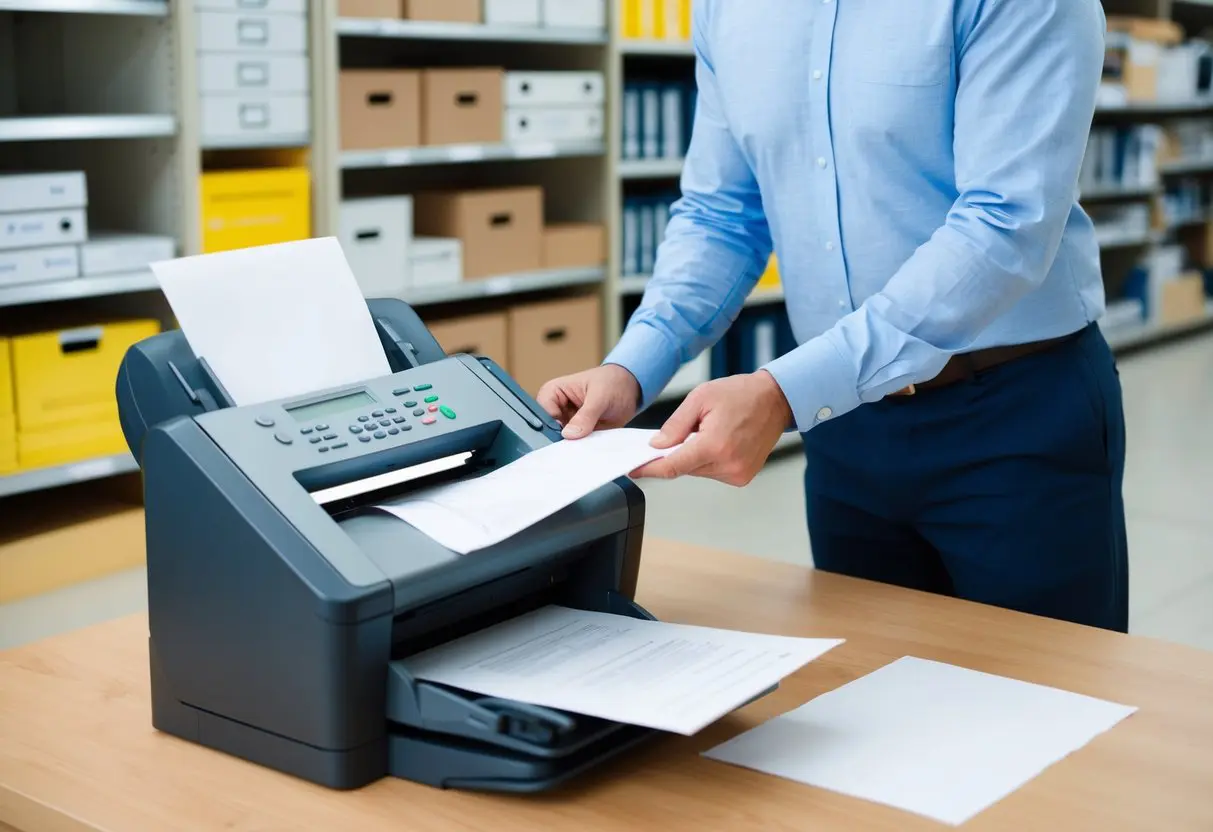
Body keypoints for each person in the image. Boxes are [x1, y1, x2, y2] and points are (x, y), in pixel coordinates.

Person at [537, 0, 1129, 633]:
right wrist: (632, 366)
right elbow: (722, 215)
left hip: (1014, 417)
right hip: (843, 424)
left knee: (1049, 701)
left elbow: (1004, 223)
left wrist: (784, 394)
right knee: (868, 695)